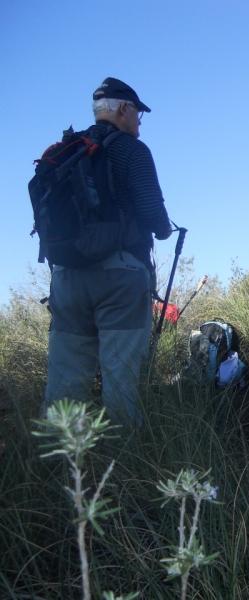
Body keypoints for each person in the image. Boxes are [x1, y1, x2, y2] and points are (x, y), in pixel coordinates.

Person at [43, 77, 172, 426]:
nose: (139, 125)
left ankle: (57, 469)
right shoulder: (131, 150)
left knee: (65, 385)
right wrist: (163, 228)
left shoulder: (68, 151)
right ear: (124, 109)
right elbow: (152, 213)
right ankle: (126, 470)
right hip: (120, 277)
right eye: (138, 116)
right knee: (121, 381)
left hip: (66, 276)